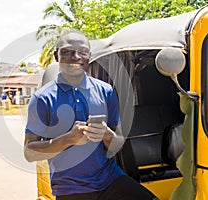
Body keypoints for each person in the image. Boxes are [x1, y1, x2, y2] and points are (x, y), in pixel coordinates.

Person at [24, 29, 158, 200]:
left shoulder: (106, 91)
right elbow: (29, 153)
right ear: (57, 56)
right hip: (69, 188)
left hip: (110, 179)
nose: (76, 57)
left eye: (83, 52)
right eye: (67, 52)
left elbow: (118, 143)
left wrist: (107, 135)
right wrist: (68, 139)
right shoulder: (42, 99)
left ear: (89, 57)